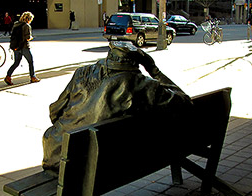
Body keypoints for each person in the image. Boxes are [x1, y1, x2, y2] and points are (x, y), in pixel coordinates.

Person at [42, 40, 193, 172]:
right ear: (137, 62)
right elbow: (185, 102)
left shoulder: (82, 72)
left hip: (58, 158)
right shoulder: (144, 86)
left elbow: (54, 112)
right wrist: (154, 70)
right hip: (105, 166)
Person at [4, 11, 40, 85]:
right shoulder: (26, 26)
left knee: (16, 63)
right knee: (30, 61)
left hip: (16, 47)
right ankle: (33, 77)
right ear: (28, 19)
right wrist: (31, 38)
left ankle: (8, 76)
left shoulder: (16, 25)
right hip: (24, 47)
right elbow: (27, 38)